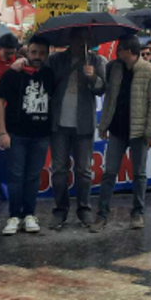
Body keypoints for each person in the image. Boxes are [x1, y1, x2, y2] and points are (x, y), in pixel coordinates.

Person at [91, 35, 151, 232]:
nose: (116, 54)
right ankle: (102, 215)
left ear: (130, 52)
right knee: (109, 173)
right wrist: (103, 125)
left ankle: (137, 213)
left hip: (139, 132)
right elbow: (108, 98)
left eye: (120, 50)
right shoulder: (114, 68)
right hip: (117, 129)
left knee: (139, 174)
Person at [41, 29, 106, 229]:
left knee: (84, 171)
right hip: (58, 123)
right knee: (59, 170)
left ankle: (84, 209)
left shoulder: (97, 61)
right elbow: (46, 83)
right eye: (77, 38)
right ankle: (60, 210)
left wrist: (92, 77)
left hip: (83, 124)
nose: (80, 42)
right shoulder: (55, 60)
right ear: (70, 40)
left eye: (84, 38)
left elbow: (102, 88)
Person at [0, 34, 55, 235]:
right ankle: (14, 215)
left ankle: (29, 214)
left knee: (33, 177)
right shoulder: (13, 74)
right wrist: (2, 131)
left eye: (42, 53)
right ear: (26, 51)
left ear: (48, 54)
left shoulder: (50, 74)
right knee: (16, 176)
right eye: (33, 52)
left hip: (41, 135)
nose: (37, 56)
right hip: (16, 134)